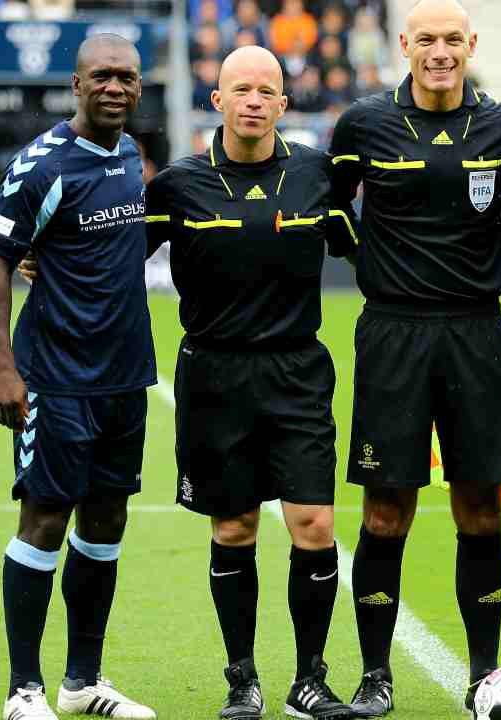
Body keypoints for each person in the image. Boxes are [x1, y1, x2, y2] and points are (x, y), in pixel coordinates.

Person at [143, 45, 358, 720]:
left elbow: (372, 248)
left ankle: (310, 681)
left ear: (284, 105)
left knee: (314, 524)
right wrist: (40, 256)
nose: (255, 101)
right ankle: (243, 681)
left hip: (297, 371)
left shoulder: (317, 176)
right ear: (219, 101)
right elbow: (113, 257)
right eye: (242, 89)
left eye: (268, 90)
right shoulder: (178, 186)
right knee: (233, 529)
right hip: (213, 375)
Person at [327, 0, 501, 715]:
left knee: (480, 506)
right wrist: (371, 260)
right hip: (392, 335)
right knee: (386, 510)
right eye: (426, 40)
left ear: (471, 45)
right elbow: (326, 208)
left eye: (452, 40)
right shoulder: (363, 125)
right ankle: (376, 675)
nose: (439, 51)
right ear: (403, 45)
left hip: (475, 336)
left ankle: (484, 673)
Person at [0, 33, 158, 720]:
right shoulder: (41, 166)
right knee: (45, 519)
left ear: (140, 89)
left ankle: (83, 682)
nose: (115, 88)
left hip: (125, 377)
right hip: (54, 377)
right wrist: (3, 368)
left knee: (107, 519)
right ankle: (24, 690)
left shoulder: (131, 159)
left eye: (127, 78)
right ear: (77, 86)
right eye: (102, 77)